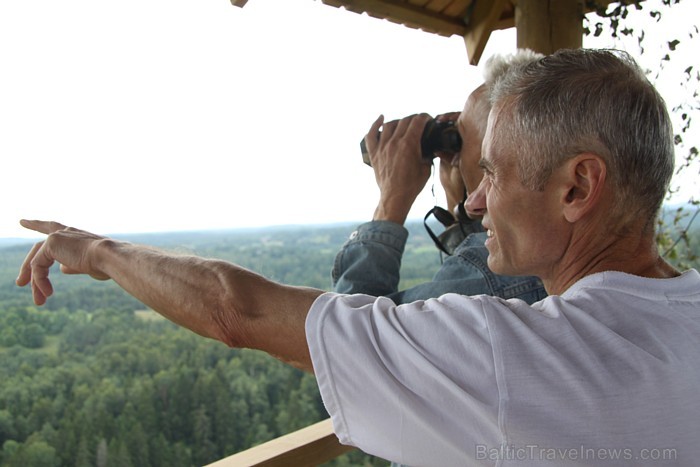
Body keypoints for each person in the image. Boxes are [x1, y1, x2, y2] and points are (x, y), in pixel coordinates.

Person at [17, 49, 700, 466]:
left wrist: (100, 250)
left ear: (577, 187)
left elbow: (237, 309)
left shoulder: (509, 355)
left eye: (492, 171)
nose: (473, 201)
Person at [332, 50, 548, 305]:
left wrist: (390, 203)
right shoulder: (542, 257)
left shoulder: (505, 273)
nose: (455, 153)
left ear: (495, 140)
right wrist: (457, 198)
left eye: (461, 138)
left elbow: (352, 331)